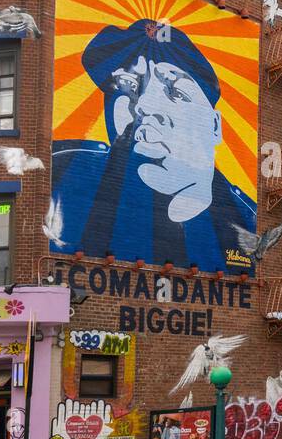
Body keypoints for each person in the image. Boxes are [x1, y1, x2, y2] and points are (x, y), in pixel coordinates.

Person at [52, 19, 256, 272]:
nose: (143, 105)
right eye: (128, 86)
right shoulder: (57, 174)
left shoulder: (249, 222)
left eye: (176, 93)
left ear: (214, 126)